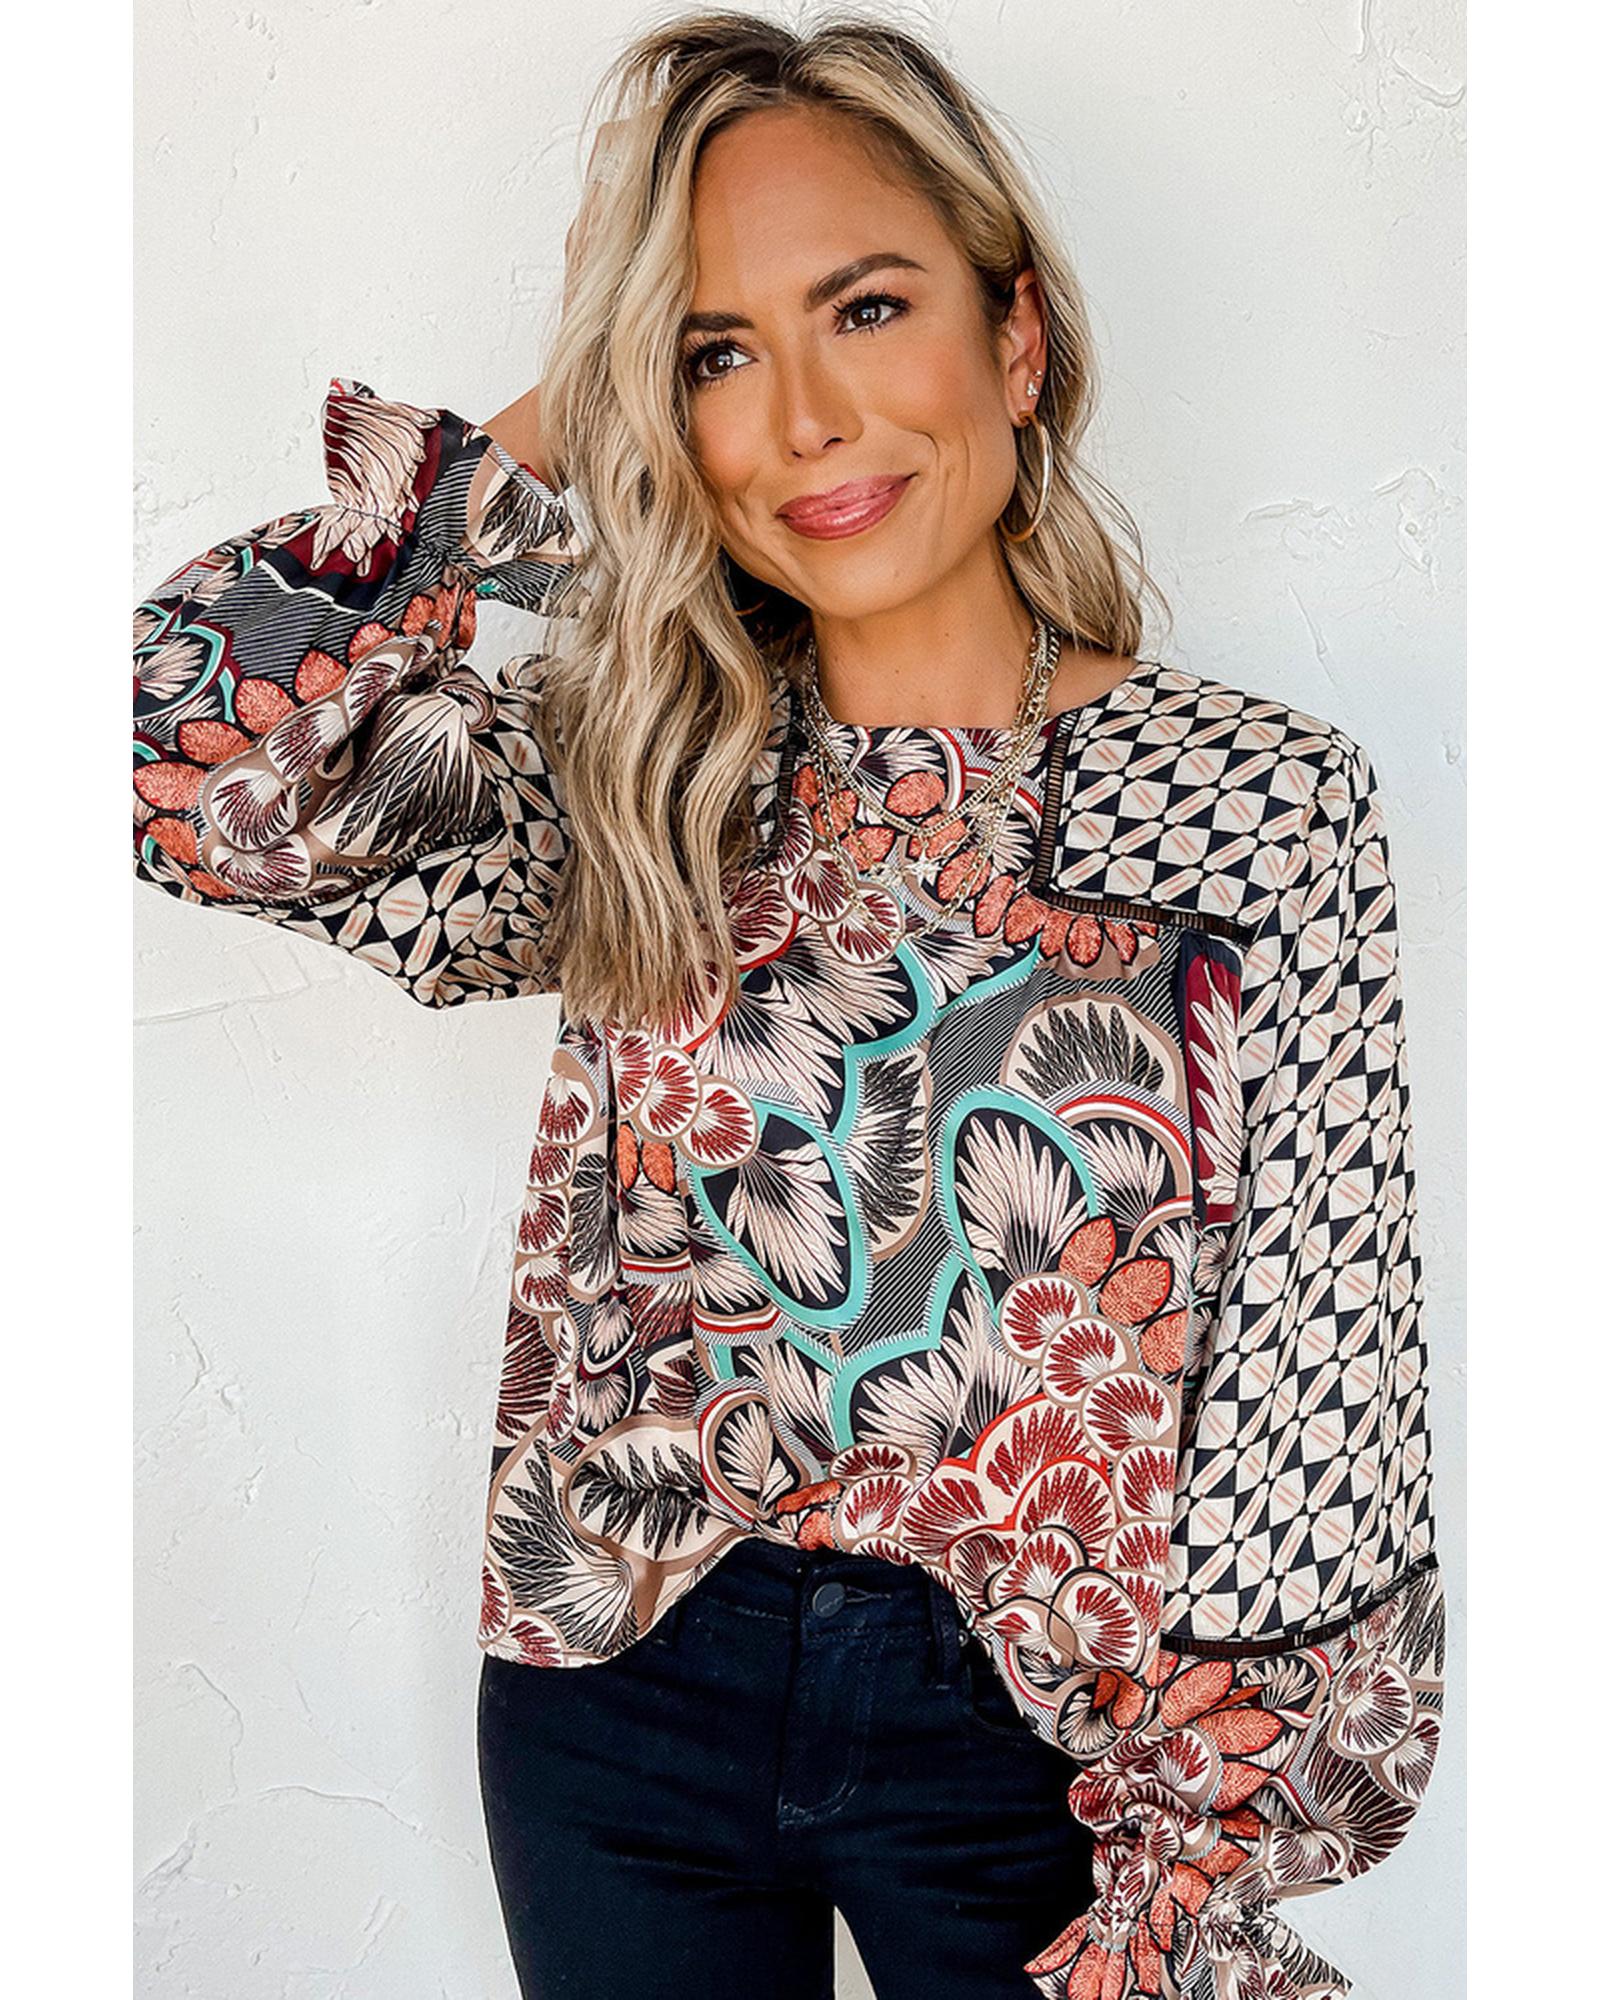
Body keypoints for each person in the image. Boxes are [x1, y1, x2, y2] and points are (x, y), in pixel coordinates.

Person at [131, 10, 1446, 1998]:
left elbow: (1317, 1385)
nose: (809, 417)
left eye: (869, 308)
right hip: (621, 1685)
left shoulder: (1252, 802)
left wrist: (1195, 1869)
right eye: (714, 354)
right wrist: (535, 441)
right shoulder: (636, 774)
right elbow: (185, 760)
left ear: (1015, 339)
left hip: (1047, 1742)